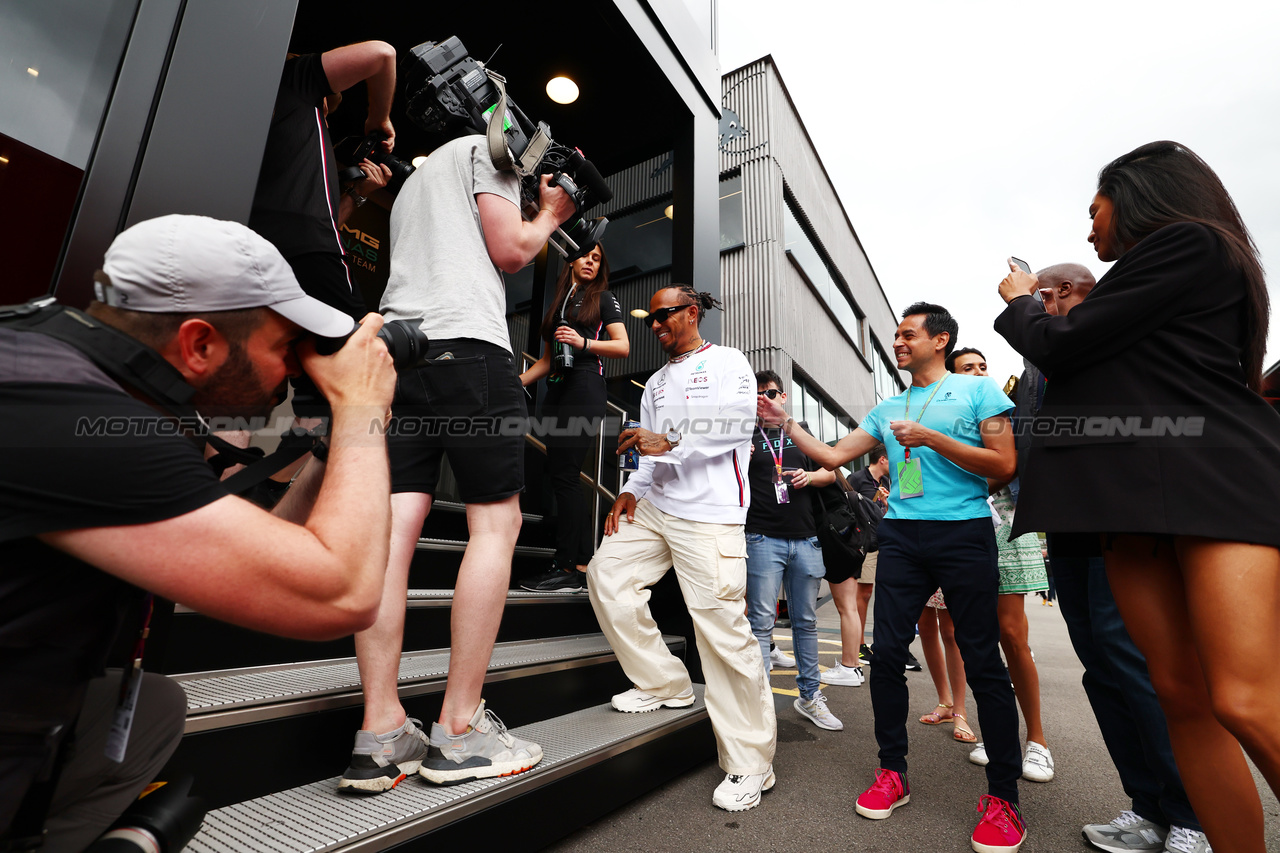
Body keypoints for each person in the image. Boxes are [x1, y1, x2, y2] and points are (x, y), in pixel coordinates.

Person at [0, 215, 396, 850]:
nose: (294, 369)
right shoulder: (77, 416)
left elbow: (255, 559)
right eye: (283, 345)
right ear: (200, 344)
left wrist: (332, 448)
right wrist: (363, 412)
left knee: (151, 711)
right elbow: (339, 593)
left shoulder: (72, 370)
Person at [995, 140, 1280, 853]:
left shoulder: (1191, 243)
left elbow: (1066, 344)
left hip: (1212, 482)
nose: (1090, 230)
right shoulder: (1168, 268)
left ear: (1137, 194)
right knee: (1181, 700)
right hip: (1128, 499)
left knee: (1243, 699)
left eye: (1095, 210)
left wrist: (1023, 300)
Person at [338, 132, 577, 792]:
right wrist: (551, 214)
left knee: (390, 539)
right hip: (468, 345)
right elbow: (511, 248)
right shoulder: (485, 148)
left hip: (398, 351)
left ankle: (381, 731)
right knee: (494, 528)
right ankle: (459, 729)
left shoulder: (413, 182)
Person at [760, 302, 1027, 853]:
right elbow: (834, 456)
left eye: (909, 334)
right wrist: (784, 420)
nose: (899, 342)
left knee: (981, 657)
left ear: (941, 339)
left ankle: (1004, 799)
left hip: (964, 532)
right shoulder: (888, 407)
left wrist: (932, 440)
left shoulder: (982, 394)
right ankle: (893, 772)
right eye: (897, 335)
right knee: (885, 658)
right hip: (903, 538)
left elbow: (1003, 465)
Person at [1019, 263, 1210, 853]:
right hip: (1069, 528)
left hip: (1121, 525)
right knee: (1101, 668)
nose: (1037, 308)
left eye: (1042, 299)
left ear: (1066, 294)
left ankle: (1192, 816)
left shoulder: (1111, 334)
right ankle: (1148, 807)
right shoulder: (1036, 364)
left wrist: (1020, 304)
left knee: (1134, 664)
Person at [587, 285, 777, 812]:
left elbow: (740, 424)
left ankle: (750, 763)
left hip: (711, 515)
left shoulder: (729, 362)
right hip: (658, 507)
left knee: (723, 635)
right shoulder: (655, 382)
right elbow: (648, 450)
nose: (655, 325)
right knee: (607, 575)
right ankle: (666, 682)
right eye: (651, 318)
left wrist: (667, 442)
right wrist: (630, 491)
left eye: (664, 315)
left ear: (693, 314)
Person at [945, 348, 1055, 782]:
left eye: (981, 366)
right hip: (958, 528)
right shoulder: (944, 418)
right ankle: (1000, 731)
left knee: (1012, 633)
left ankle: (1039, 741)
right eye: (967, 369)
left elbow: (1008, 468)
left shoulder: (1001, 414)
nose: (978, 373)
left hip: (1006, 526)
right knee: (977, 638)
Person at [249, 41, 397, 322]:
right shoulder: (295, 79)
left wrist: (358, 193)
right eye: (325, 109)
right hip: (309, 253)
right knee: (356, 350)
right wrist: (380, 119)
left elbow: (326, 224)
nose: (325, 120)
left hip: (261, 250)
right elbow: (382, 54)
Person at [518, 244, 630, 592]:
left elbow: (622, 346)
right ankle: (577, 564)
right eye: (586, 256)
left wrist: (583, 343)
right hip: (557, 390)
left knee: (565, 476)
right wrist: (515, 383)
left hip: (585, 384)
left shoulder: (603, 298)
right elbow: (548, 360)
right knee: (559, 475)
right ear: (571, 260)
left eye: (598, 258)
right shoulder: (560, 303)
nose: (591, 262)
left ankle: (569, 566)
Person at [744, 370, 840, 729]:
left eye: (770, 393)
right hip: (762, 537)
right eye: (758, 395)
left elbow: (831, 470)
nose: (765, 400)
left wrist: (810, 477)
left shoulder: (800, 433)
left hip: (805, 538)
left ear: (782, 397)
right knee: (761, 625)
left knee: (806, 622)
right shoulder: (746, 434)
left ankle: (810, 696)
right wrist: (740, 455)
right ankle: (759, 704)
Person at [820, 449, 888, 689]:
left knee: (846, 607)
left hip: (840, 550)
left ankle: (850, 666)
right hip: (853, 548)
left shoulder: (826, 478)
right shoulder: (845, 483)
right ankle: (853, 667)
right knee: (849, 608)